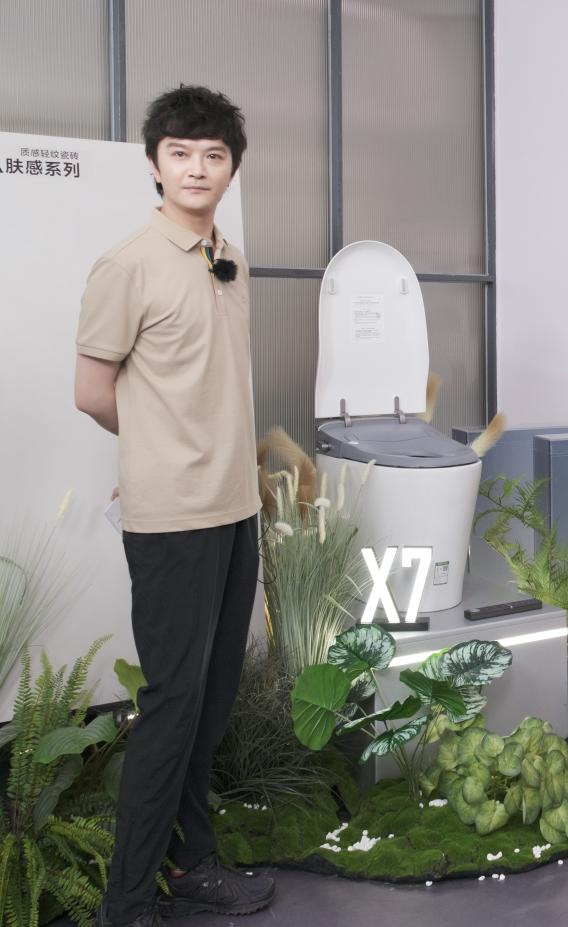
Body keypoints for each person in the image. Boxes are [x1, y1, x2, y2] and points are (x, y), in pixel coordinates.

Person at [74, 85, 274, 927]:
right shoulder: (127, 264)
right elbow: (92, 391)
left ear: (231, 168)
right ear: (154, 165)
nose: (197, 168)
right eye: (181, 153)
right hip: (172, 518)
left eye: (214, 155)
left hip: (234, 508)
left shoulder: (229, 256)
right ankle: (125, 904)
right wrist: (157, 447)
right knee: (170, 705)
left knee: (212, 697)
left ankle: (191, 863)